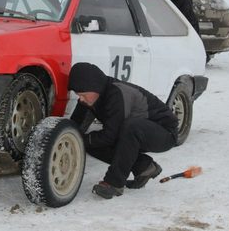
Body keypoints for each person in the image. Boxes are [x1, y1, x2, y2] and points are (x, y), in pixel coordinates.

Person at [68, 62, 178, 199]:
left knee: (130, 127)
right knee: (89, 144)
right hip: (137, 132)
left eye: (83, 94)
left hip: (164, 132)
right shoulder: (92, 96)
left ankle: (114, 183)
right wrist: (72, 140)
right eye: (78, 95)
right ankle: (144, 166)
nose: (81, 99)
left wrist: (82, 139)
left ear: (95, 87)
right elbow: (74, 127)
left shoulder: (117, 94)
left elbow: (111, 135)